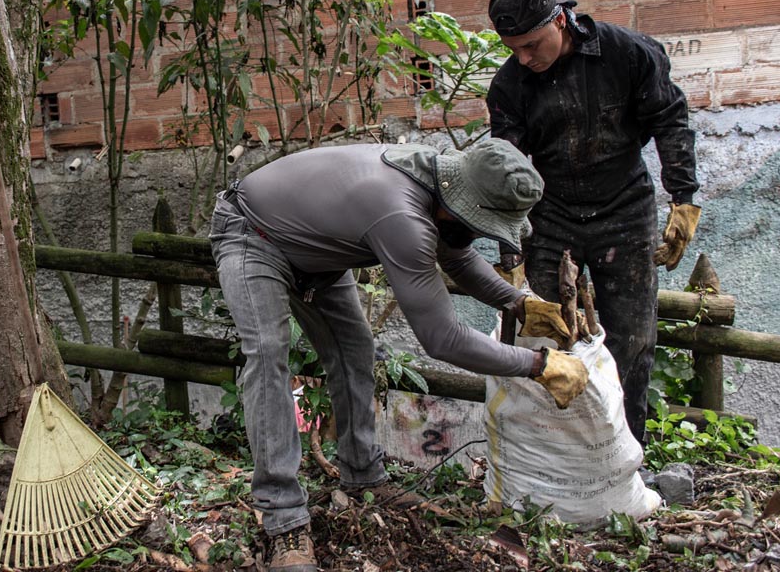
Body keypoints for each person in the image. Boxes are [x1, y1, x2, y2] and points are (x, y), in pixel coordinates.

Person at [209, 138, 587, 572]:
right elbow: (442, 337)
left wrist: (518, 303)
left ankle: (362, 477)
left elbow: (459, 259)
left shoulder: (437, 184)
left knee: (355, 351)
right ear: (462, 201)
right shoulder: (401, 215)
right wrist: (538, 366)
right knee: (268, 358)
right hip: (252, 234)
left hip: (317, 256)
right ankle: (283, 519)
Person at [485, 0, 701, 444]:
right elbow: (507, 171)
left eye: (531, 44)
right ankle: (556, 454)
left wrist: (683, 200)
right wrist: (510, 254)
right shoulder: (509, 87)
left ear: (561, 20)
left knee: (633, 341)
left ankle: (628, 455)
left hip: (625, 209)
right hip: (552, 214)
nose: (523, 57)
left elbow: (670, 120)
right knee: (541, 333)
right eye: (513, 48)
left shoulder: (628, 54)